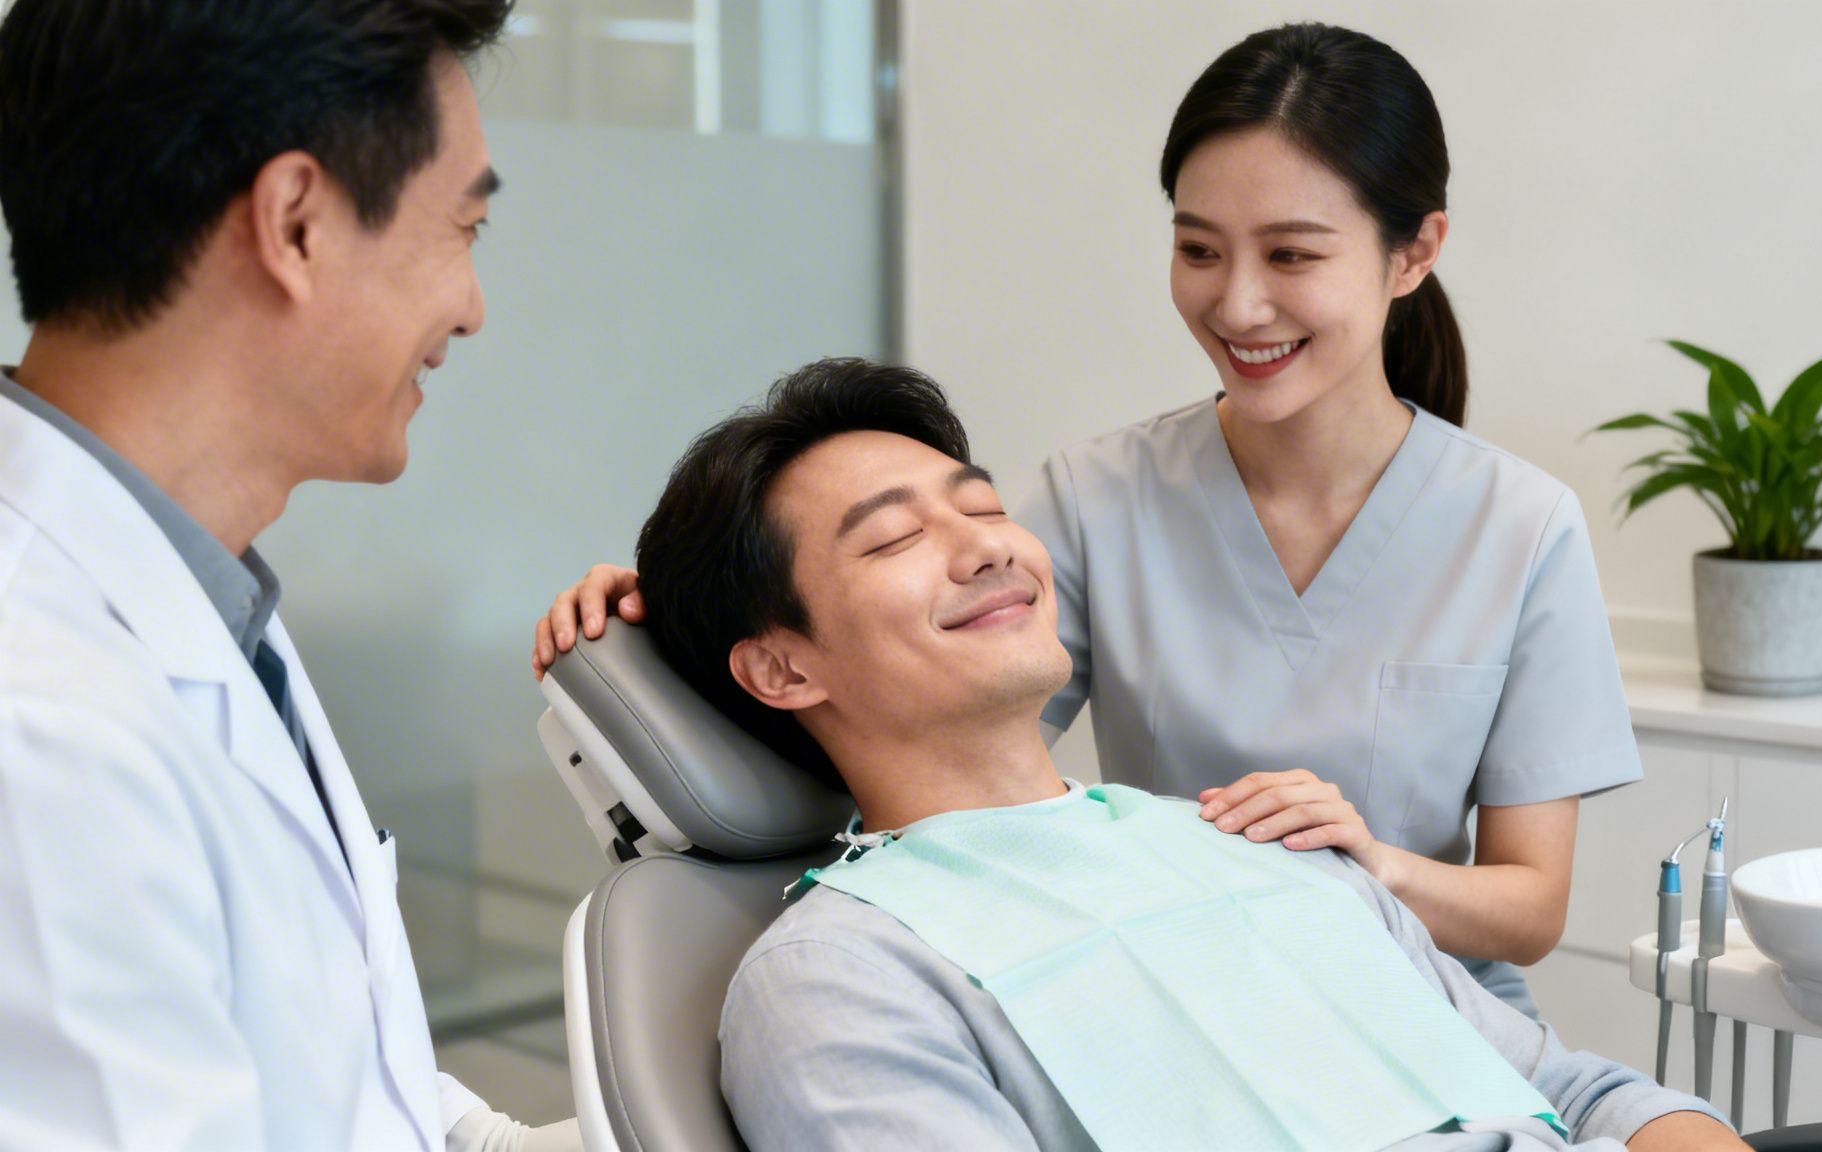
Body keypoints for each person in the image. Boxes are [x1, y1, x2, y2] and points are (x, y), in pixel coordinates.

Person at [533, 22, 1637, 1018]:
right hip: (1176, 994)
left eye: (1290, 255)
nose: (1236, 304)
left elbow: (1528, 906)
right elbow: (906, 716)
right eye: (1197, 249)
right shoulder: (1100, 495)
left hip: (1437, 1017)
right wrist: (672, 611)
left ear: (1412, 251)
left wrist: (1364, 864)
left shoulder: (1519, 526)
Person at [623, 357, 1736, 1150]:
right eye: (897, 538)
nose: (988, 550)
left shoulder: (1257, 840)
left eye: (984, 507)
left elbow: (1582, 1093)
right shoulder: (842, 979)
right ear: (778, 670)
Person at [0, 2, 575, 1148]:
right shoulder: (42, 724)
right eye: (460, 229)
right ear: (296, 223)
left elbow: (319, 1058)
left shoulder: (193, 598)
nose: (470, 308)